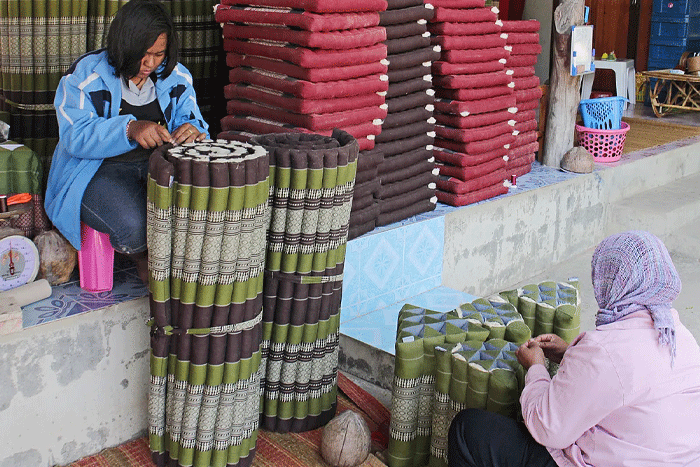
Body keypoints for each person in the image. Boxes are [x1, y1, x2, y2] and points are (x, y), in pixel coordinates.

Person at [448, 230, 700, 467]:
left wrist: (536, 367)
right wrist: (571, 353)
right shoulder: (677, 333)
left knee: (467, 430)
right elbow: (628, 376)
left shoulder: (604, 350)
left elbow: (547, 428)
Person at [45, 0, 208, 282]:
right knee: (136, 228)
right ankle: (146, 263)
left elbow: (194, 119)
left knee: (198, 210)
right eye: (144, 54)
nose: (150, 63)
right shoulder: (85, 76)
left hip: (154, 168)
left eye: (159, 54)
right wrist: (129, 129)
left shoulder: (175, 76)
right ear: (124, 45)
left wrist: (191, 129)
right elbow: (74, 136)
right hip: (95, 172)